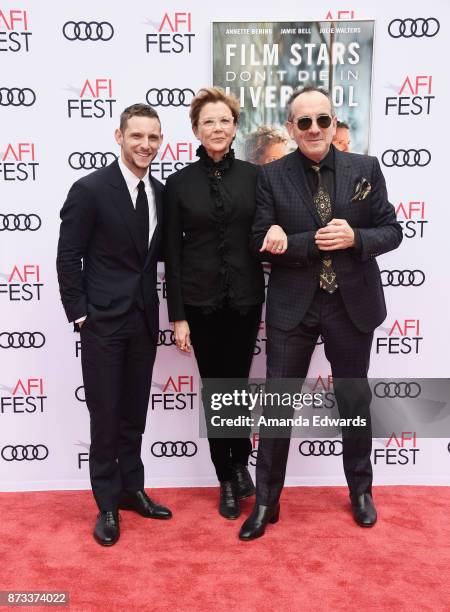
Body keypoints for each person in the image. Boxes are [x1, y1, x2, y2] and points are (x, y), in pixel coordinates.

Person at [239, 86, 403, 540]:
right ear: (290, 128)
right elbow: (259, 240)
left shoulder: (365, 169)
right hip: (294, 307)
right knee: (277, 405)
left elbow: (392, 230)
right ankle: (267, 502)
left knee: (353, 401)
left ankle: (361, 492)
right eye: (304, 122)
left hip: (352, 305)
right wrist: (301, 240)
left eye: (322, 120)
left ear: (334, 123)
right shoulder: (270, 176)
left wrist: (356, 238)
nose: (314, 129)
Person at [56, 103, 172, 547]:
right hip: (102, 321)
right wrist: (80, 312)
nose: (146, 144)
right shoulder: (89, 189)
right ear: (119, 136)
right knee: (105, 414)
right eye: (137, 135)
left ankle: (130, 488)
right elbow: (69, 255)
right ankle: (106, 502)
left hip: (143, 319)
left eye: (153, 137)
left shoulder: (160, 192)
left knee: (133, 415)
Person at [164, 87, 265, 520]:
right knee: (215, 388)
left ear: (235, 126)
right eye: (208, 122)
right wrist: (178, 316)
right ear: (195, 130)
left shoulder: (255, 177)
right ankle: (225, 477)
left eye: (224, 120)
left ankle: (240, 463)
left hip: (245, 300)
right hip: (201, 303)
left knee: (236, 386)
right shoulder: (178, 183)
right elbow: (172, 252)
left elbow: (265, 232)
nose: (217, 128)